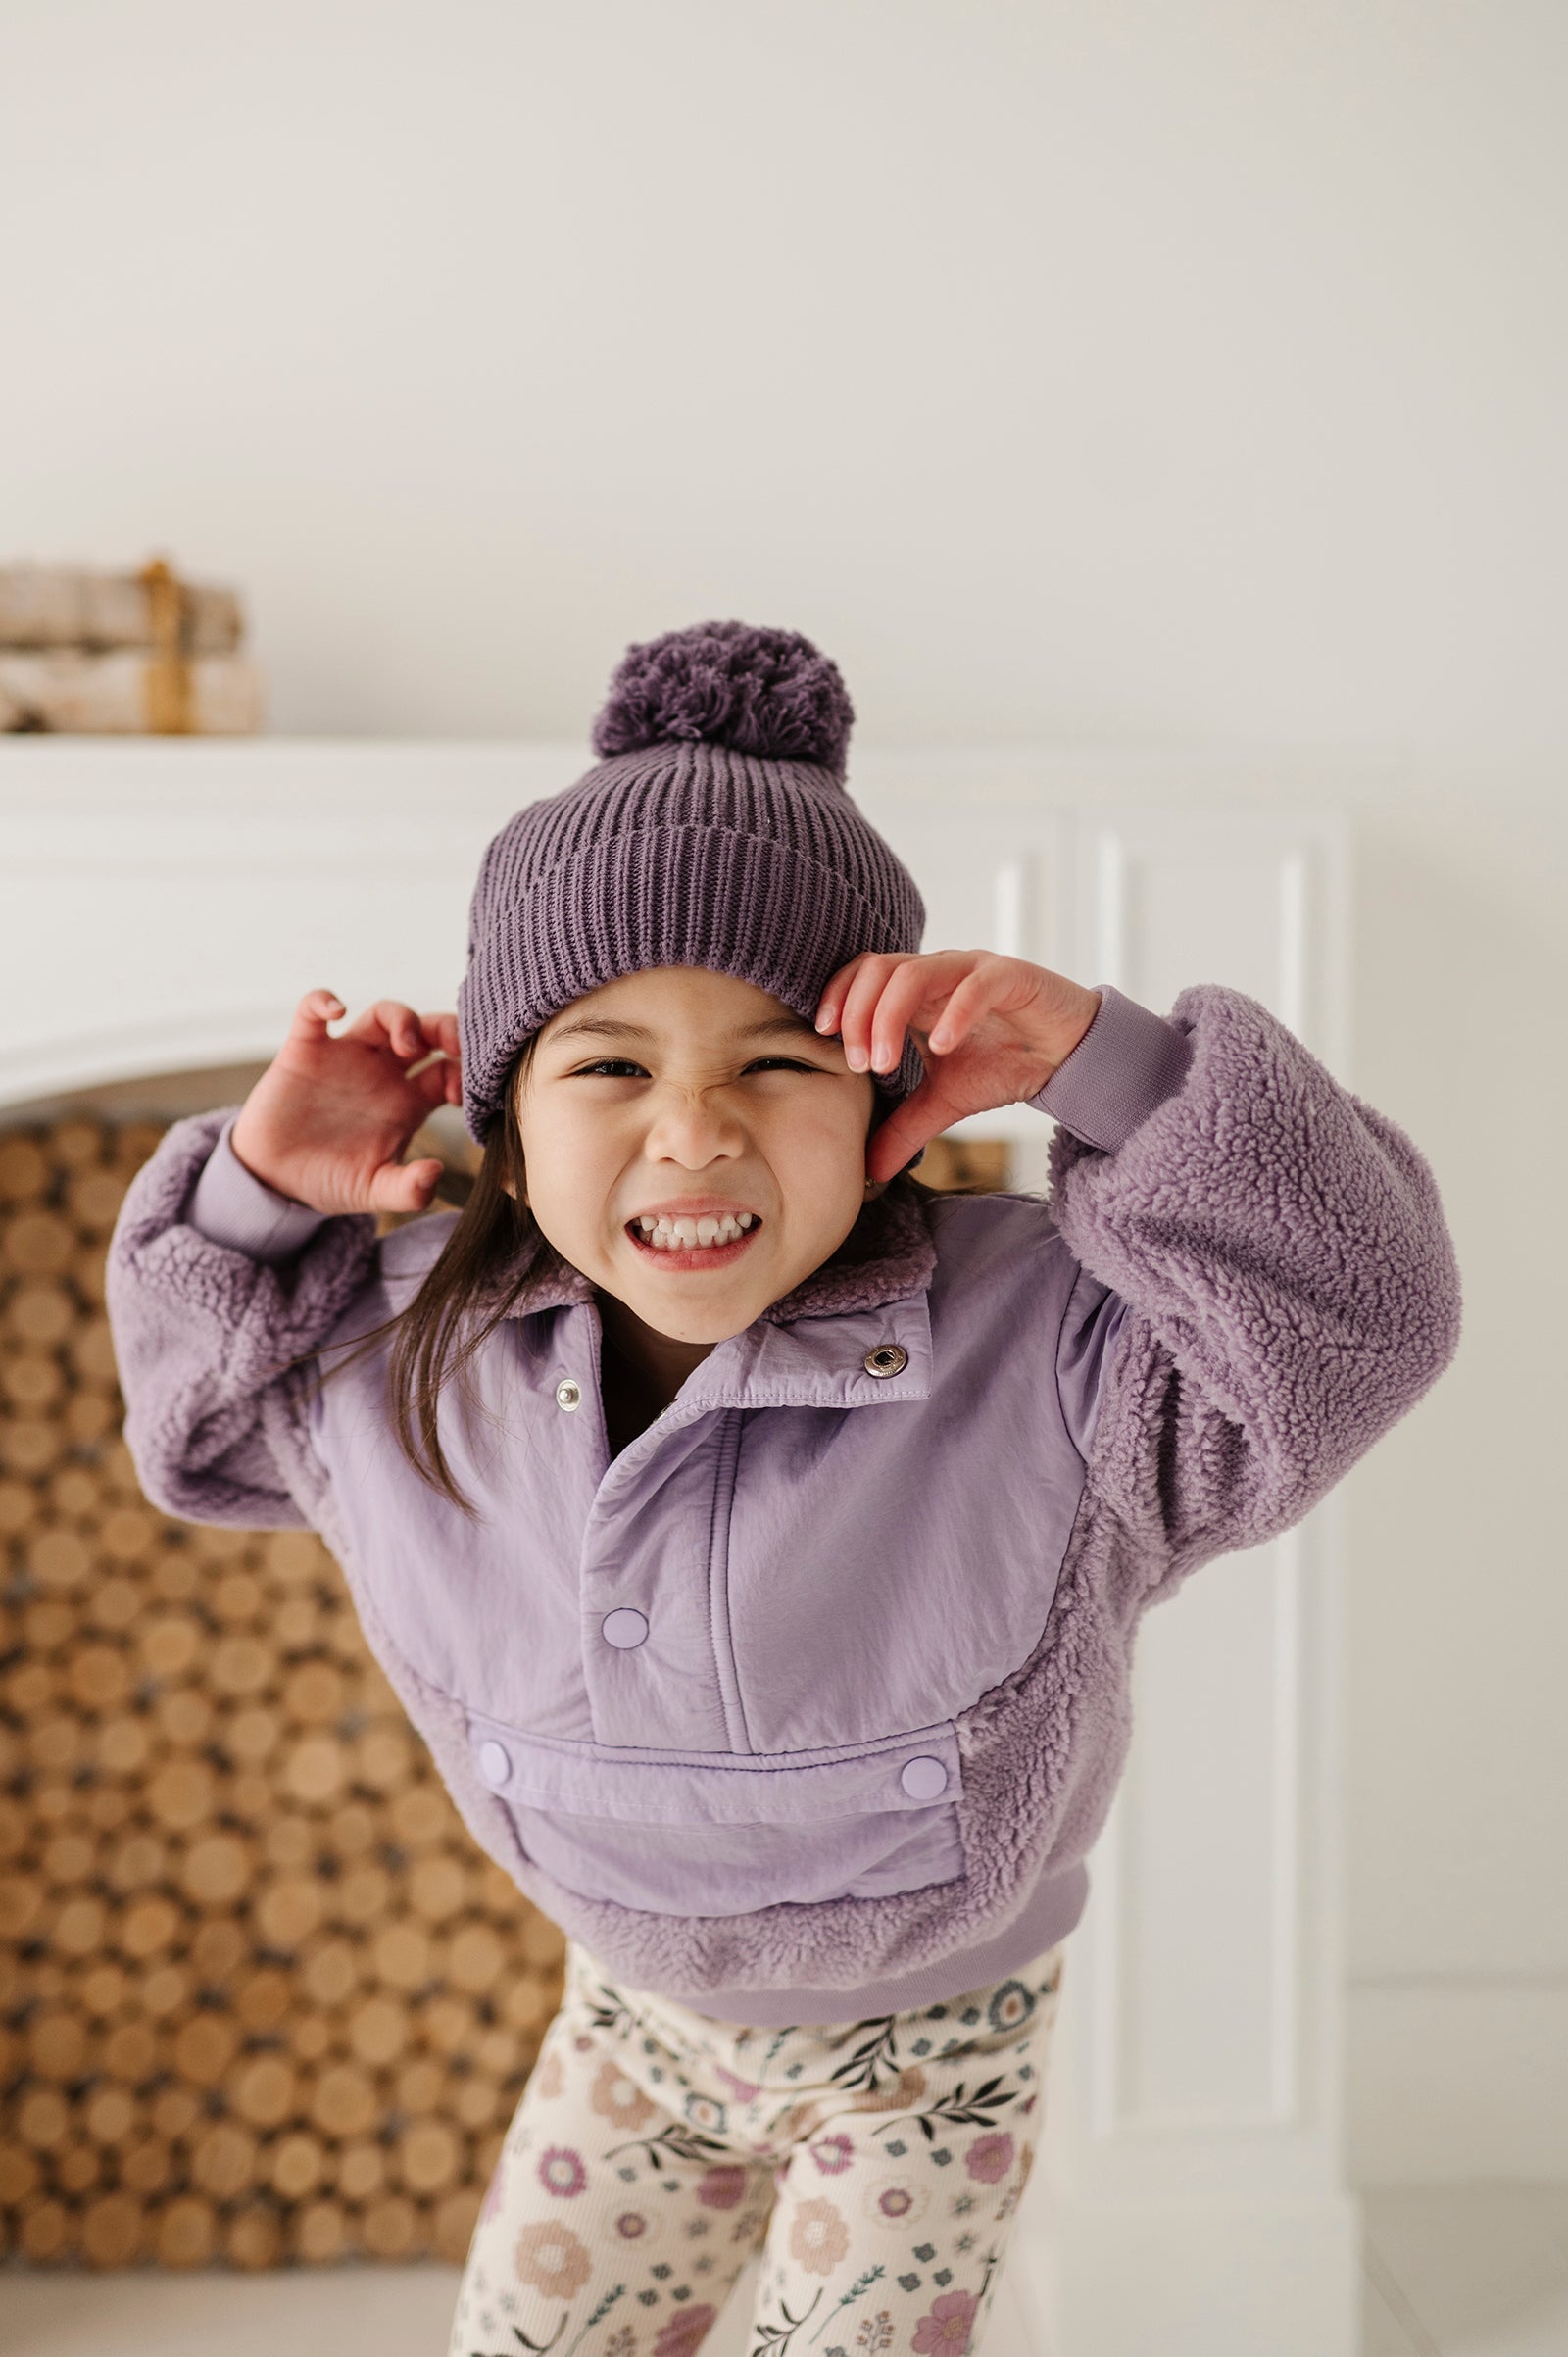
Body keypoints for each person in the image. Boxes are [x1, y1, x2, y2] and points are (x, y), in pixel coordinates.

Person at [106, 618, 1462, 2357]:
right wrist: (257, 1185)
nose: (694, 1132)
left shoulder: (1054, 1350)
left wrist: (1102, 1057)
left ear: (883, 1094)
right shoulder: (406, 1356)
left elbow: (1364, 1313)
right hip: (632, 2026)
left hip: (925, 2053)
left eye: (776, 1060)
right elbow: (193, 1421)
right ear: (501, 1125)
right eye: (608, 1066)